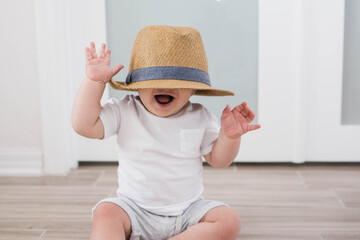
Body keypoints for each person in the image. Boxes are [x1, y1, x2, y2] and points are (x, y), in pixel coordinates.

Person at [72, 25, 260, 240]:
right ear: (137, 87)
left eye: (177, 83)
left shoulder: (200, 116)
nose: (166, 87)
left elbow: (218, 160)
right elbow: (83, 125)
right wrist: (94, 82)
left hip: (188, 212)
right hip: (134, 210)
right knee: (106, 212)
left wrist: (230, 137)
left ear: (194, 89)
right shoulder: (124, 110)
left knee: (229, 221)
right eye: (155, 81)